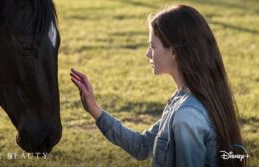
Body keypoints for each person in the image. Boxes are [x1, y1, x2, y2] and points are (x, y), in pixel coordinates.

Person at [70, 4, 245, 167]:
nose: (148, 54)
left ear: (174, 52)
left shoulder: (187, 114)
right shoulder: (183, 99)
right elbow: (142, 146)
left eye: (153, 46)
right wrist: (94, 109)